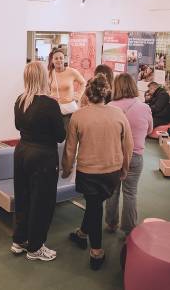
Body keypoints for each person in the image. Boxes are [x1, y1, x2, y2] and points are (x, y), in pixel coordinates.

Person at [62, 73, 133, 270]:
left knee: (94, 206)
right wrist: (125, 168)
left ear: (88, 92)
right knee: (95, 204)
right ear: (106, 93)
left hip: (88, 172)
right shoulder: (119, 114)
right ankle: (82, 234)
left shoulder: (78, 115)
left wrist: (66, 170)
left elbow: (70, 148)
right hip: (112, 172)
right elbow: (128, 145)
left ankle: (96, 251)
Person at [11, 61, 65, 261]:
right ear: (43, 78)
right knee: (42, 202)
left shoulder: (20, 100)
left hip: (22, 152)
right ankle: (35, 247)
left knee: (23, 197)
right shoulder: (50, 104)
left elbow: (18, 125)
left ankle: (19, 240)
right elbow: (60, 136)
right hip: (43, 157)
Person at [105, 73, 153, 236]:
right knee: (130, 193)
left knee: (112, 192)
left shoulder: (110, 107)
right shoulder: (144, 107)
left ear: (115, 87)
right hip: (135, 155)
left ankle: (111, 223)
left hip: (114, 156)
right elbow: (150, 130)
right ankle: (129, 229)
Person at [47, 48, 86, 127]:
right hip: (55, 109)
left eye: (61, 58)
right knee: (56, 135)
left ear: (64, 59)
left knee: (69, 134)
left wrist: (78, 96)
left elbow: (83, 83)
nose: (59, 60)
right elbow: (47, 90)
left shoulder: (71, 72)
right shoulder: (49, 74)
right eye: (56, 58)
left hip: (69, 109)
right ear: (52, 60)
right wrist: (50, 97)